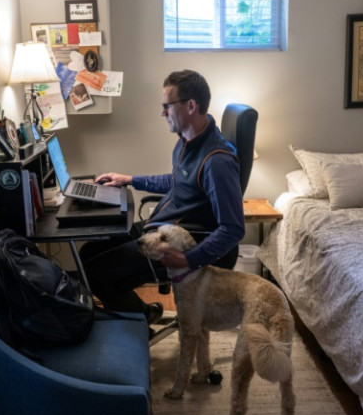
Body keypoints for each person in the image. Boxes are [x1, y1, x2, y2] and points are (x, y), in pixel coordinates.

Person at [79, 69, 245, 325]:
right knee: (89, 252)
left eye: (167, 105)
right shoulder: (187, 140)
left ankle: (142, 322)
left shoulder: (217, 162)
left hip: (181, 245)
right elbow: (176, 181)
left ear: (191, 106)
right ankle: (137, 313)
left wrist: (189, 258)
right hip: (158, 230)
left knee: (92, 273)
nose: (163, 112)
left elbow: (233, 229)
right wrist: (130, 179)